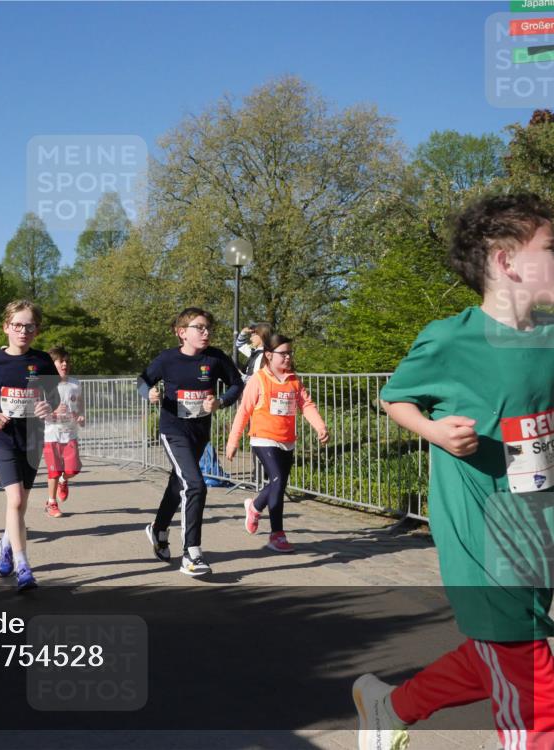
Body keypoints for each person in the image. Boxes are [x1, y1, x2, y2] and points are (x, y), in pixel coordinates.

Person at [354, 193, 554, 750]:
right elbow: (395, 397)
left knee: (501, 648)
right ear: (506, 261)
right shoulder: (450, 338)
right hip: (483, 533)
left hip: (541, 524)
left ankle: (389, 708)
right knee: (534, 689)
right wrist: (436, 431)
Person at [138, 307, 243, 576]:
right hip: (173, 430)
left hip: (199, 433)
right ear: (182, 332)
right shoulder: (167, 359)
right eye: (200, 327)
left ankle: (159, 529)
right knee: (195, 484)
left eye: (208, 328)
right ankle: (192, 553)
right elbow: (143, 380)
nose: (206, 332)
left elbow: (236, 384)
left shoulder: (215, 358)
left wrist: (220, 401)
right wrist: (149, 393)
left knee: (179, 483)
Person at [0, 300, 59, 591]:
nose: (23, 331)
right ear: (6, 327)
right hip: (3, 438)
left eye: (29, 326)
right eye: (18, 325)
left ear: (37, 330)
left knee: (19, 504)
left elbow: (54, 395)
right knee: (17, 500)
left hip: (32, 438)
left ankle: (6, 545)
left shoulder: (43, 361)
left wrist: (48, 406)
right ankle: (23, 566)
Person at [225, 334, 329, 552]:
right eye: (283, 354)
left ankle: (255, 507)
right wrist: (233, 441)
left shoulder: (293, 380)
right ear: (269, 355)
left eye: (290, 353)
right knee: (278, 480)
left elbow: (306, 405)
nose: (288, 357)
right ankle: (277, 534)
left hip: (287, 440)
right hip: (263, 438)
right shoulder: (259, 379)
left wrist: (320, 427)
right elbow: (243, 411)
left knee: (278, 483)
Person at [42, 346, 86, 518]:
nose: (65, 364)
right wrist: (52, 412)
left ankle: (63, 480)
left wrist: (81, 415)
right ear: (52, 364)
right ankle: (51, 502)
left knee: (73, 470)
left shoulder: (75, 383)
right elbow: (35, 408)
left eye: (67, 361)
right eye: (61, 361)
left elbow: (80, 403)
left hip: (70, 434)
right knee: (53, 471)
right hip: (51, 434)